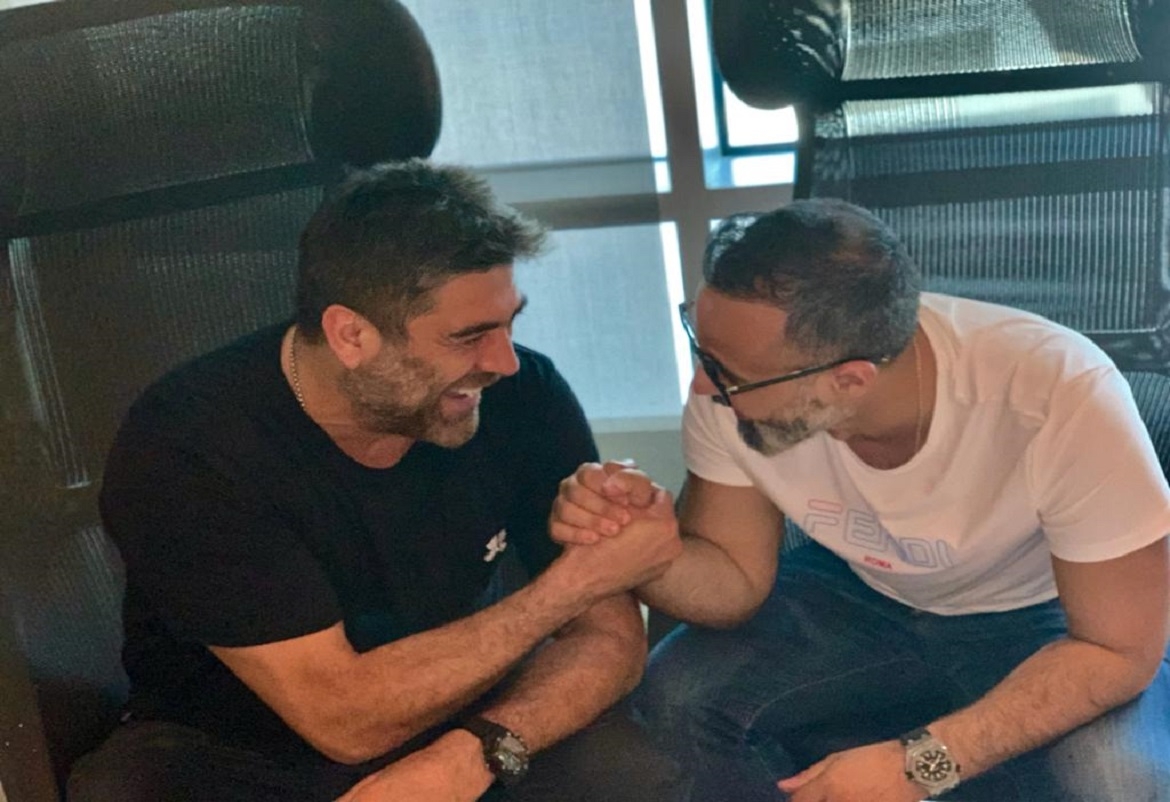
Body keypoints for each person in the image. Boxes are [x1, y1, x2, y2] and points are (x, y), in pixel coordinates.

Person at [67, 160, 684, 802]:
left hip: (465, 711)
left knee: (625, 772)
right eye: (468, 336)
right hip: (237, 746)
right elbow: (344, 718)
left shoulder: (523, 394)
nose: (504, 361)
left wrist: (477, 752)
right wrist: (576, 582)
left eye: (510, 322)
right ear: (351, 335)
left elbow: (611, 638)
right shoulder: (190, 447)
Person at [551, 199, 1170, 801]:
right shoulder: (732, 388)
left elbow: (1117, 650)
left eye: (727, 373)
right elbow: (733, 580)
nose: (703, 386)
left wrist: (919, 765)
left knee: (1118, 779)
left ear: (848, 381)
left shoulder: (1059, 392)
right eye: (702, 350)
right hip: (859, 593)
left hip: (1041, 613)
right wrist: (648, 549)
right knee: (679, 697)